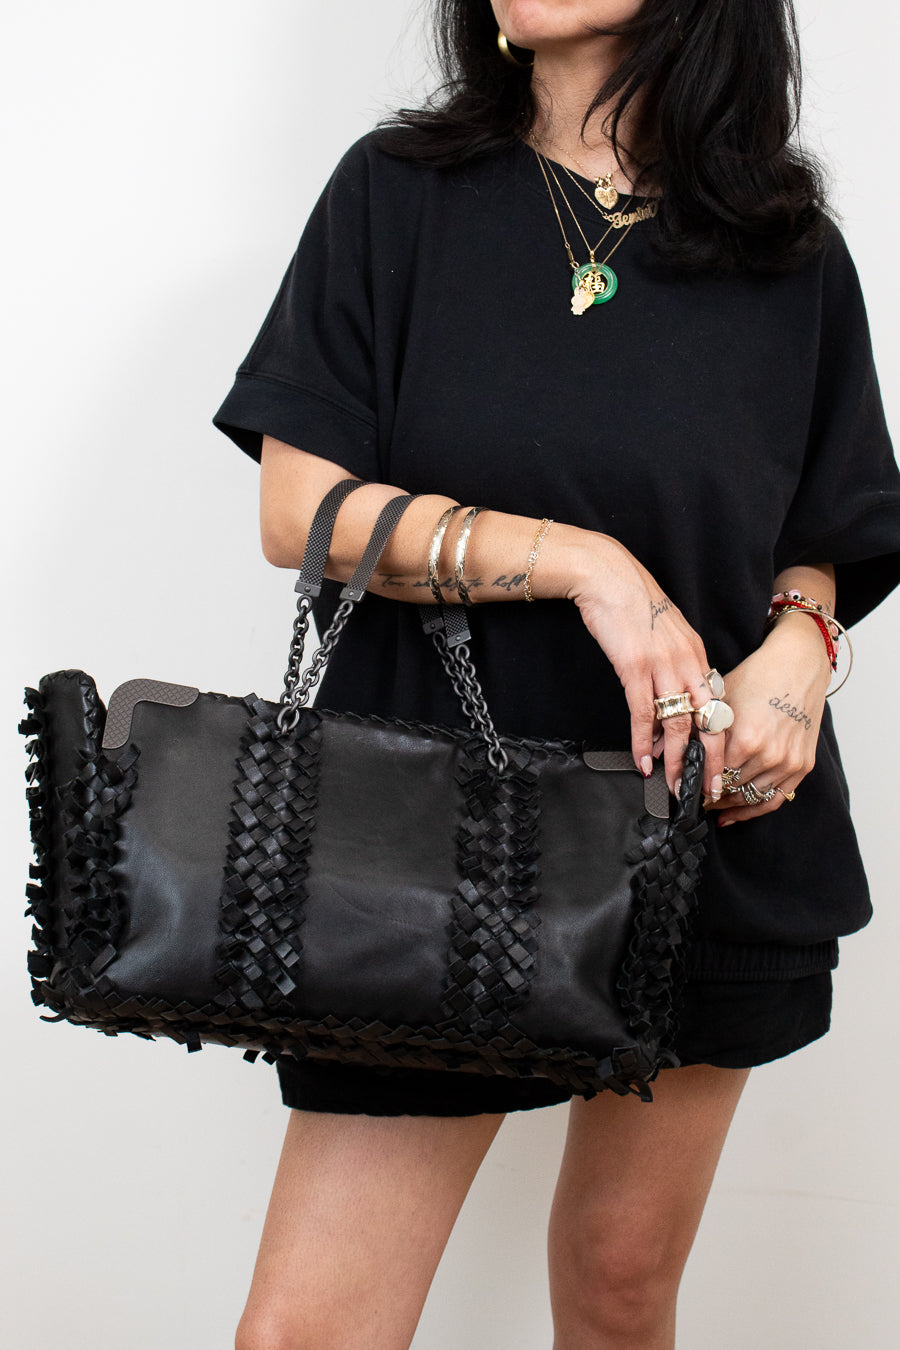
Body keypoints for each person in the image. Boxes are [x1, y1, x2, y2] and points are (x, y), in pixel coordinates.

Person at [214, 2, 900, 1346]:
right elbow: (302, 512)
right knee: (310, 1332)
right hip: (429, 847)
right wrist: (586, 563)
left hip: (707, 830)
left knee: (622, 1287)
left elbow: (821, 537)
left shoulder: (790, 254)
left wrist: (799, 658)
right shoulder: (398, 196)